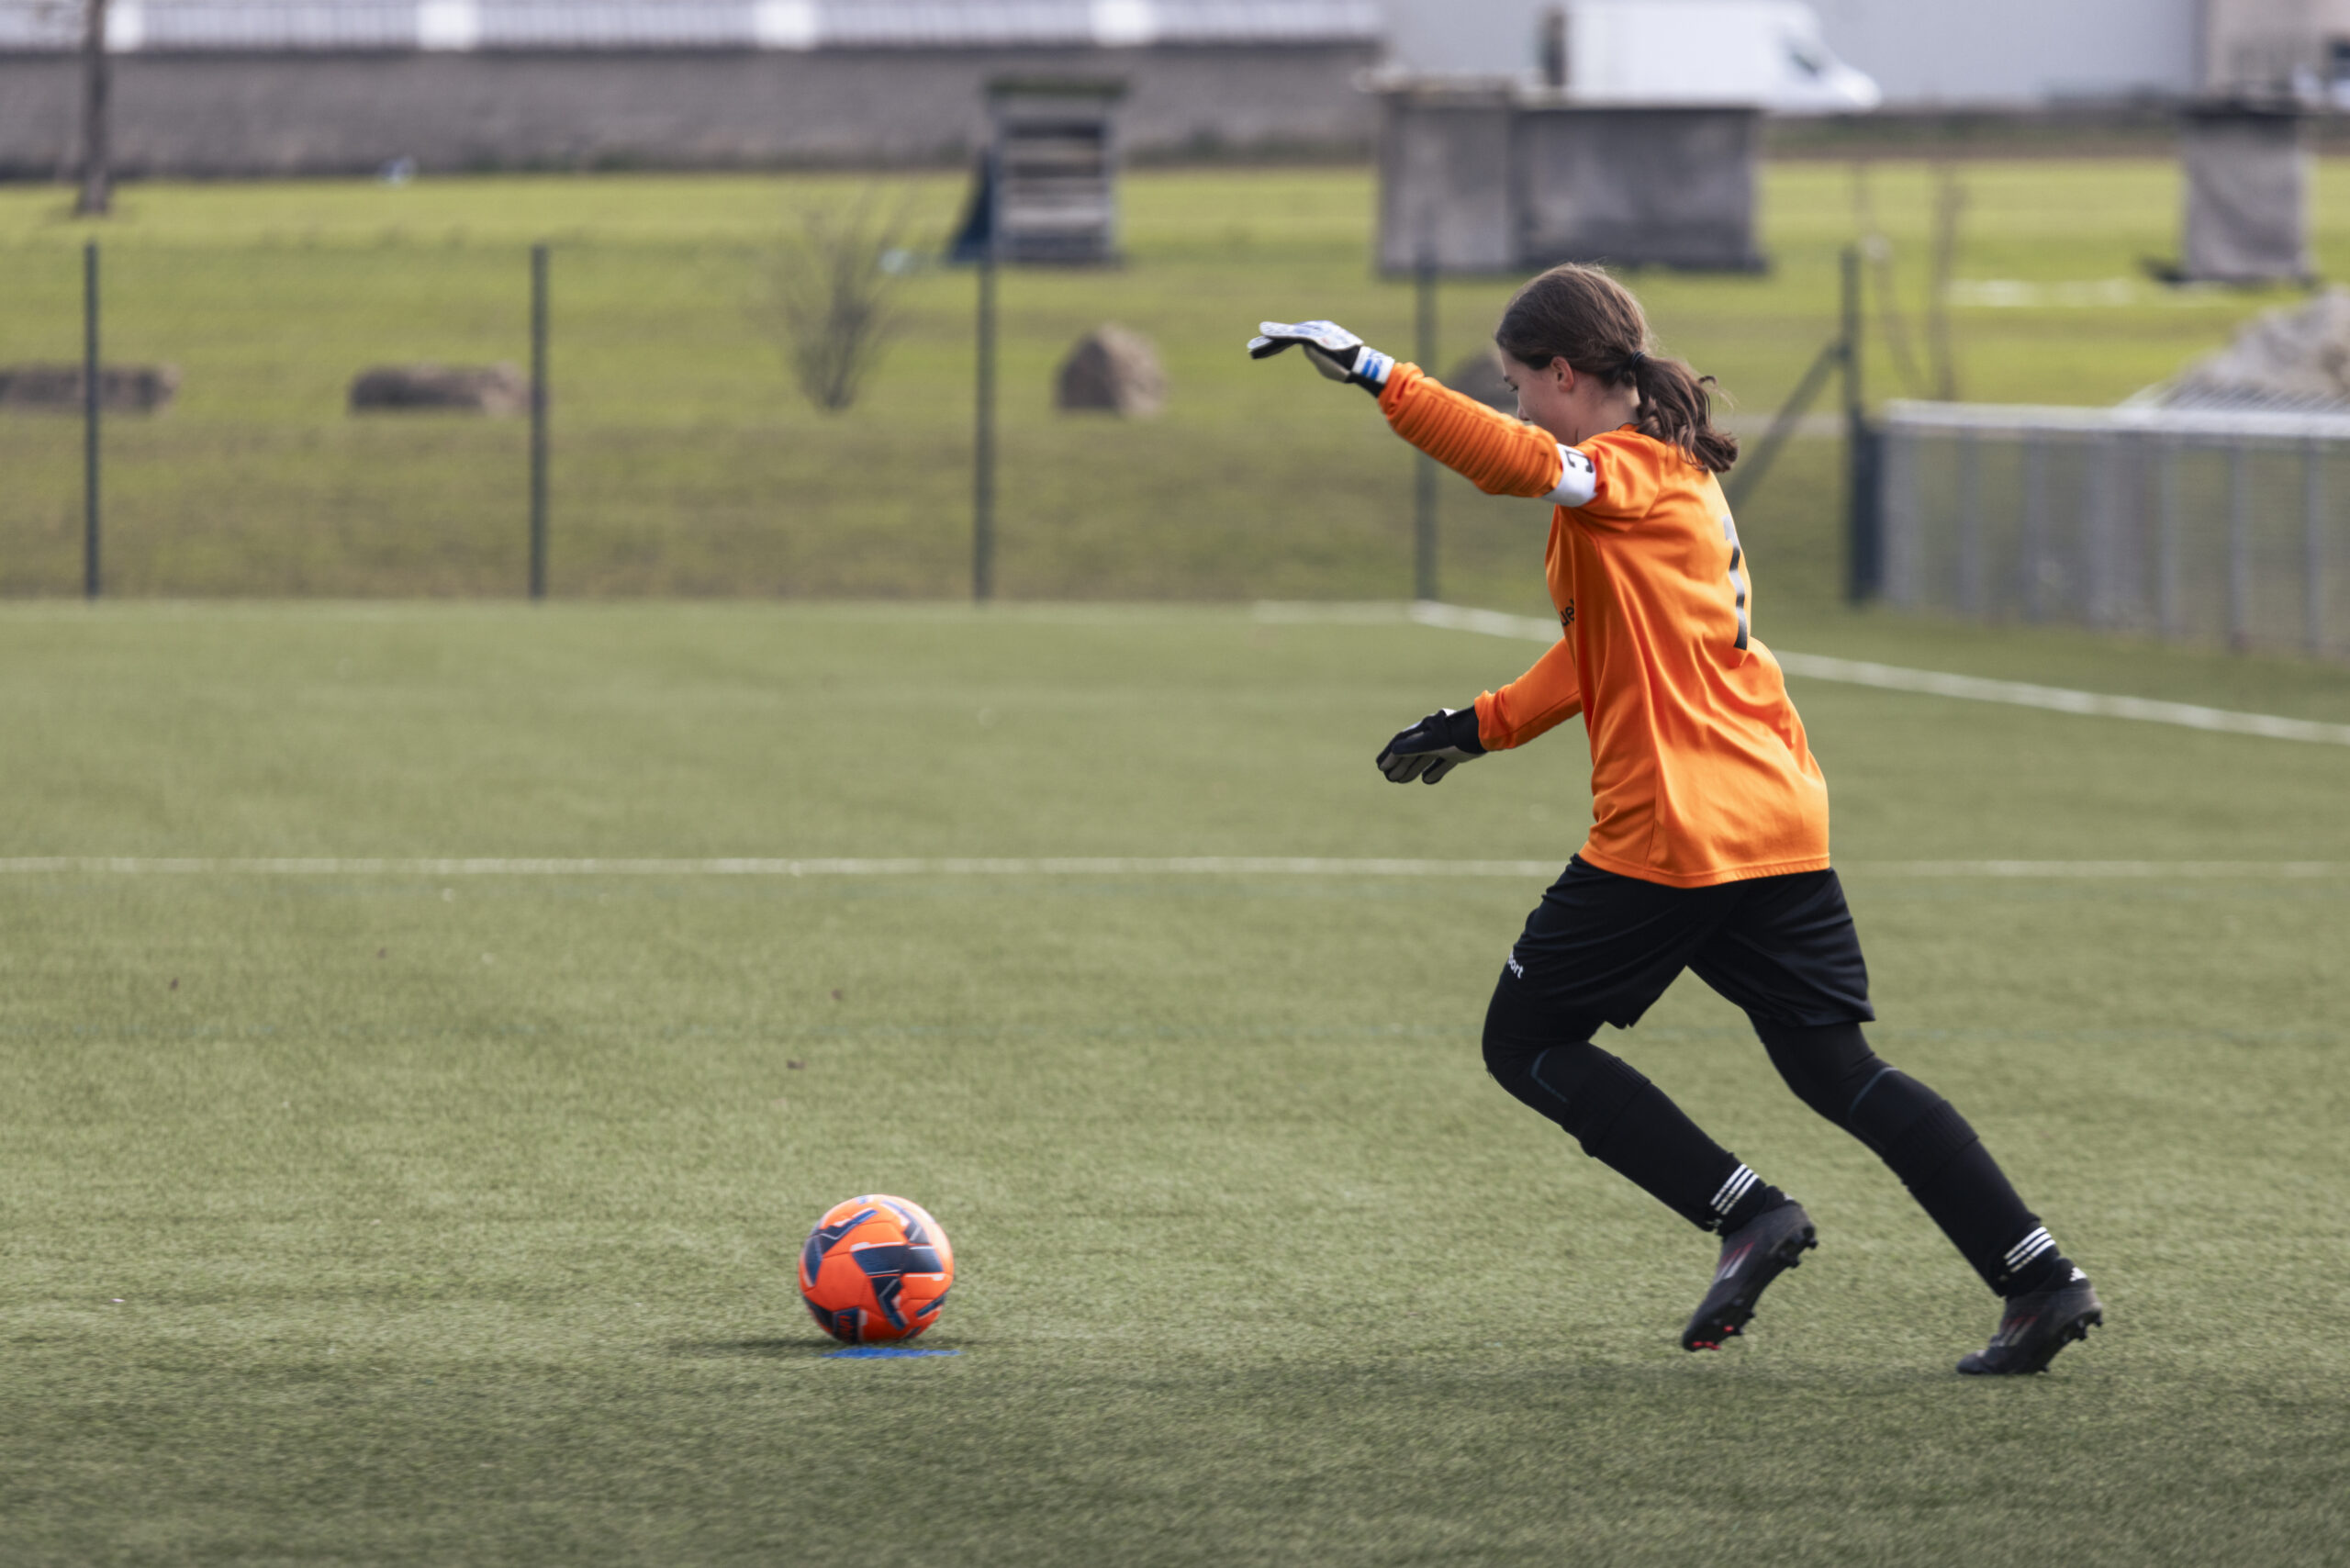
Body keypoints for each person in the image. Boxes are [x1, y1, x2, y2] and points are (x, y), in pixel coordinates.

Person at [1247, 269, 2102, 1374]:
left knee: (1526, 1041)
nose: (1515, 404)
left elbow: (1516, 464)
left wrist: (1378, 374)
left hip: (1674, 830)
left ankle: (1745, 1210)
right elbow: (1603, 647)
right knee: (1836, 1069)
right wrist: (1479, 725)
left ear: (1564, 374)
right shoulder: (1671, 473)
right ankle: (2038, 1278)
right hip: (1773, 814)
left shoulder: (1622, 473)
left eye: (1516, 384)